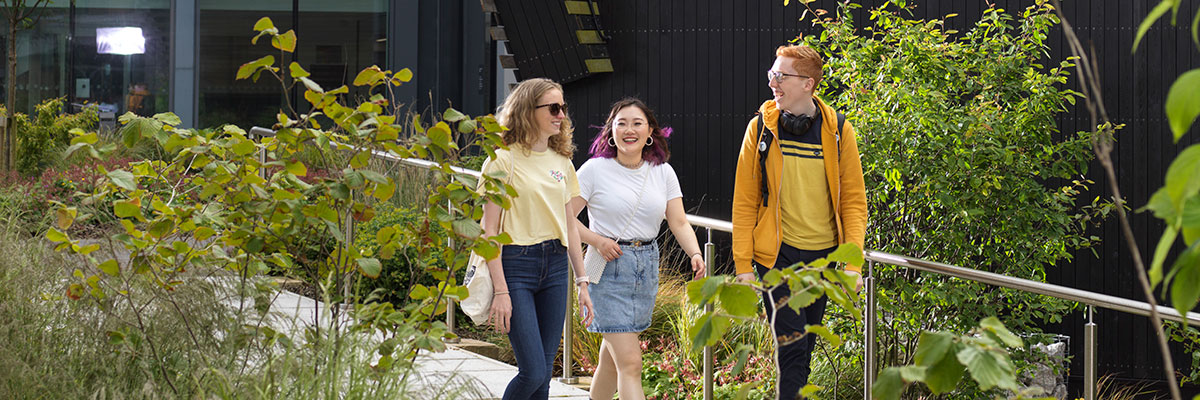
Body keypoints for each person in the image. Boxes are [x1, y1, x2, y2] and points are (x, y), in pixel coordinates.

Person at [731, 44, 868, 399]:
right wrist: (743, 265)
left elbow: (854, 203)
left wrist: (852, 265)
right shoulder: (759, 129)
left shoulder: (838, 131)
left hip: (822, 259)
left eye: (781, 76)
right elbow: (744, 202)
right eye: (771, 74)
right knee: (792, 348)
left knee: (804, 349)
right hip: (777, 257)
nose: (772, 83)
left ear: (808, 84)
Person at [570, 98, 707, 400]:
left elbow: (678, 221)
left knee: (611, 362)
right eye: (621, 123)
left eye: (637, 123)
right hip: (606, 268)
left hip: (645, 267)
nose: (629, 130)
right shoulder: (594, 170)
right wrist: (597, 240)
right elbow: (564, 217)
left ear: (650, 133)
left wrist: (695, 253)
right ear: (611, 132)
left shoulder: (663, 172)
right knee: (630, 362)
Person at [480, 77, 595, 400]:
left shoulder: (562, 161)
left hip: (556, 267)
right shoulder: (502, 160)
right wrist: (501, 290)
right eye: (553, 108)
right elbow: (489, 231)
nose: (562, 115)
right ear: (528, 111)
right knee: (532, 372)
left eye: (563, 107)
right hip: (516, 265)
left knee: (543, 377)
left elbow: (569, 224)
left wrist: (582, 282)